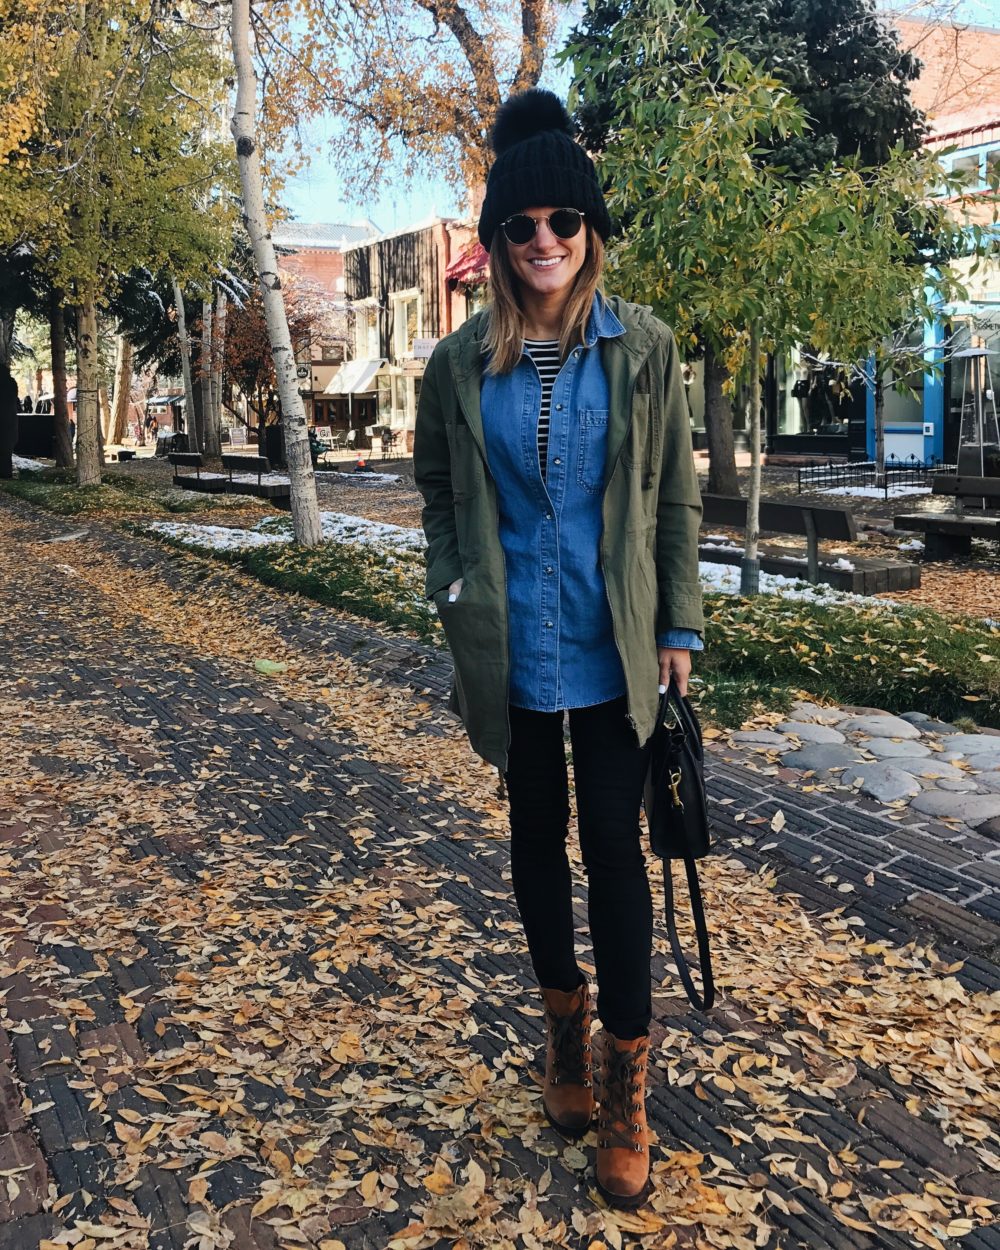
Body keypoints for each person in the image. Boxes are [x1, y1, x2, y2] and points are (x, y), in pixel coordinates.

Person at [413, 90, 704, 1210]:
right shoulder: (457, 365)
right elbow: (438, 489)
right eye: (521, 224)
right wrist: (452, 583)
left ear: (589, 228)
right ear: (496, 240)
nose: (544, 241)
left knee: (616, 852)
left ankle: (628, 1078)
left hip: (612, 640)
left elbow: (673, 499)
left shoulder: (645, 350)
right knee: (535, 841)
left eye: (563, 221)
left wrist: (677, 624)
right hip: (511, 643)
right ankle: (564, 1033)